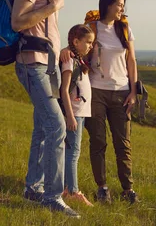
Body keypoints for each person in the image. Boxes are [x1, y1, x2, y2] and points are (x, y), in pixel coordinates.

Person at [11, 0, 80, 218]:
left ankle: (33, 188)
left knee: (42, 129)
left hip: (45, 65)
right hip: (32, 65)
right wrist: (54, 6)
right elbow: (18, 22)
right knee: (57, 126)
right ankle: (52, 197)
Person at [61, 0, 139, 204]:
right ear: (107, 4)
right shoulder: (93, 27)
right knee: (97, 141)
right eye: (119, 4)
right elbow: (78, 43)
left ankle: (128, 189)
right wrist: (64, 51)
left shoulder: (124, 29)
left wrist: (133, 91)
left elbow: (131, 60)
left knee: (123, 143)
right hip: (96, 92)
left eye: (123, 5)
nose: (122, 9)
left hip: (122, 91)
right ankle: (102, 188)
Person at [60, 24, 94, 206]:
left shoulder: (79, 60)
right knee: (73, 152)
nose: (90, 46)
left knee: (72, 151)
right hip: (74, 114)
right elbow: (64, 90)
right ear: (76, 41)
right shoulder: (69, 60)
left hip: (80, 113)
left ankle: (67, 188)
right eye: (88, 42)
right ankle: (72, 191)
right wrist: (70, 115)